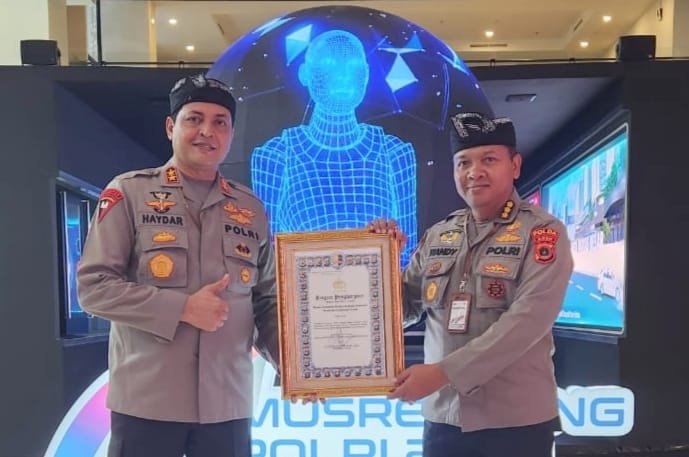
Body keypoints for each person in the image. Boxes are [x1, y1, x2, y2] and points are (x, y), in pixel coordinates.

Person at [77, 74, 279, 457]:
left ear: (231, 133)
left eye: (220, 122)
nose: (207, 131)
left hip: (227, 405)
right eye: (194, 119)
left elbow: (266, 303)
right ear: (171, 127)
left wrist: (297, 368)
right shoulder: (129, 192)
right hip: (147, 404)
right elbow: (94, 287)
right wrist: (182, 308)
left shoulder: (250, 209)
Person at [369, 112, 574, 457]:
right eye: (463, 162)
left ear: (515, 166)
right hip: (444, 418)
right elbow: (402, 309)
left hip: (515, 422)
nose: (474, 172)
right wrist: (378, 259)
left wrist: (443, 373)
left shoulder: (543, 232)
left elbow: (528, 320)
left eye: (489, 160)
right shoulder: (439, 235)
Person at [251, 29, 418, 266]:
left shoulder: (394, 153)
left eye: (353, 66)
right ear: (305, 74)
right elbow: (268, 261)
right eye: (329, 65)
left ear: (366, 75)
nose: (343, 76)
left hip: (378, 288)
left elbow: (409, 258)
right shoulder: (276, 156)